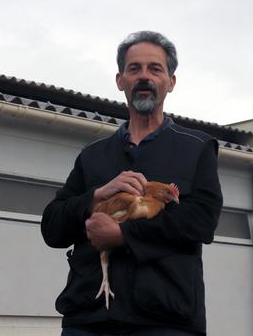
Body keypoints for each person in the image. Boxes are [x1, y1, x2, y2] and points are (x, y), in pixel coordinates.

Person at [41, 31, 223, 336]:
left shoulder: (197, 148)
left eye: (155, 69)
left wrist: (123, 234)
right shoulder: (93, 156)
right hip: (90, 319)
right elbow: (52, 226)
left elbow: (201, 221)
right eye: (134, 69)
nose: (143, 76)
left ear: (171, 82)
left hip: (165, 320)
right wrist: (96, 195)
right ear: (120, 80)